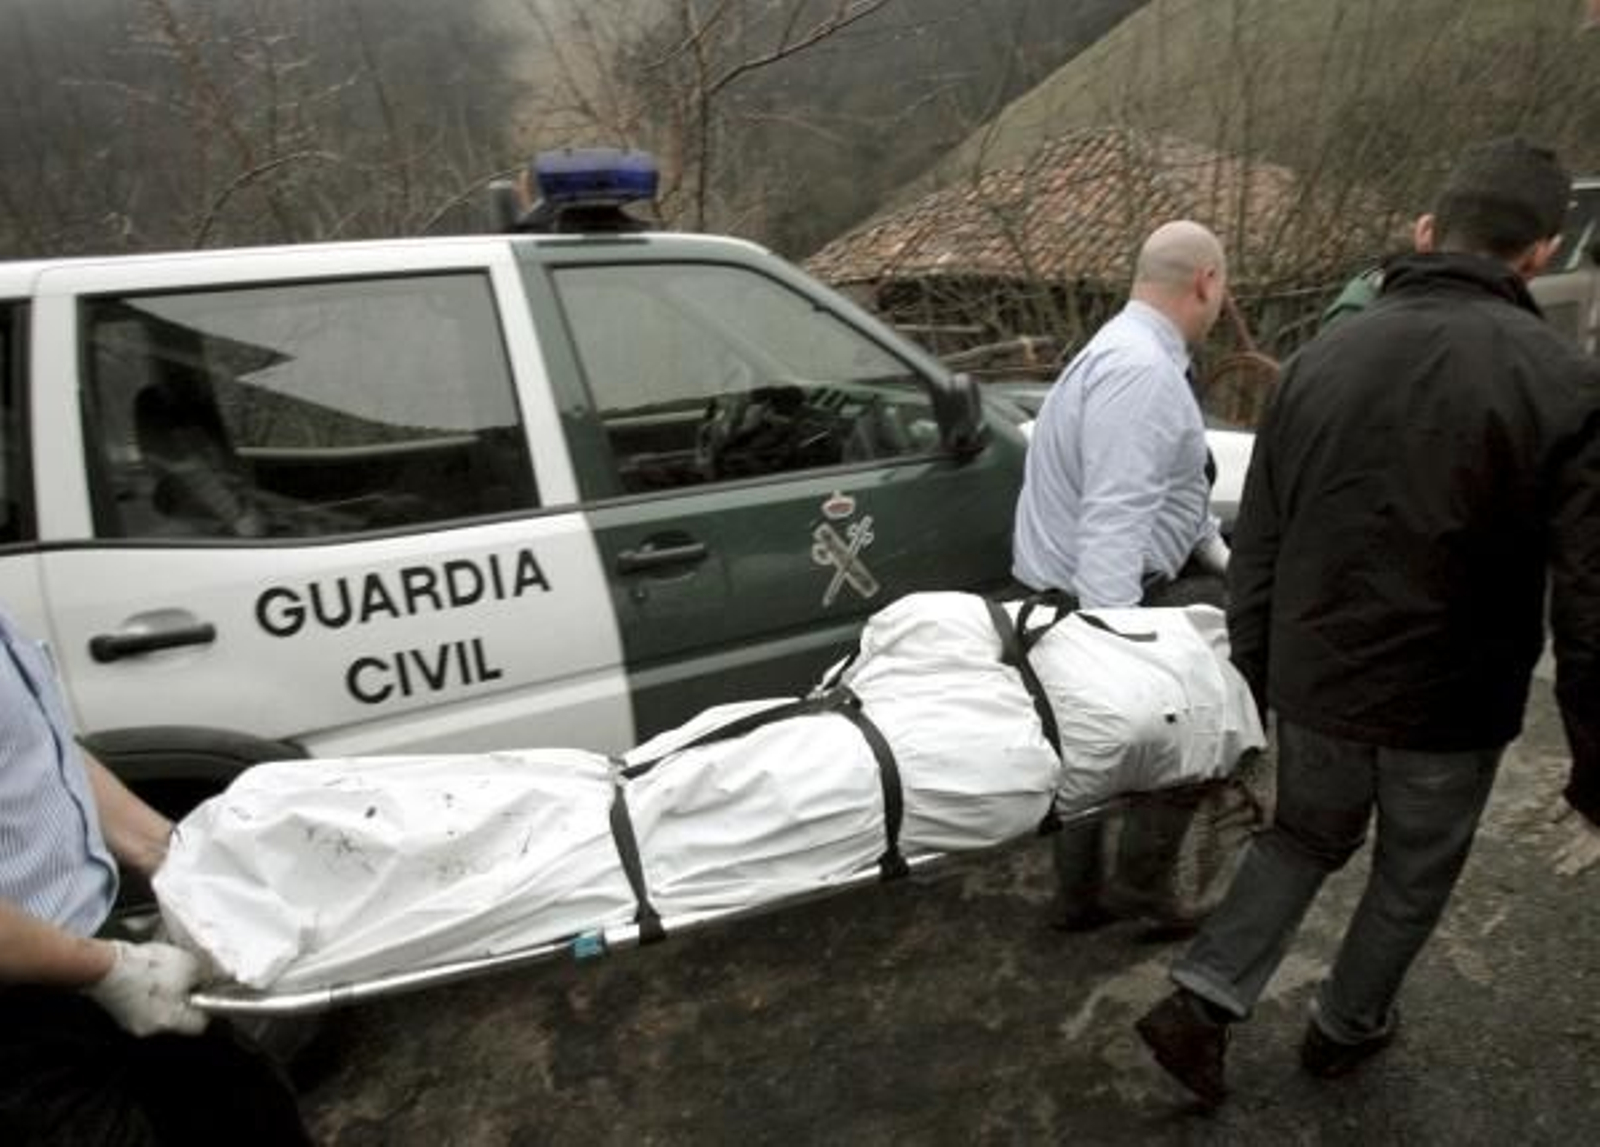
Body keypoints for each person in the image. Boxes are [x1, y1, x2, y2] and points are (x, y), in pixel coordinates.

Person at [1134, 137, 1600, 1109]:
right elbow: (1588, 594)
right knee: (1411, 870)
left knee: (1303, 835)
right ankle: (1345, 1027)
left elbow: (1258, 534)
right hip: (1451, 701)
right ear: (1542, 253)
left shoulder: (1318, 358)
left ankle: (1205, 998)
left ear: (1428, 231)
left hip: (1316, 678)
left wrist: (1253, 674)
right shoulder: (1561, 383)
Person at [0, 606, 311, 1144]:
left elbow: (35, 749)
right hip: (22, 1018)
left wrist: (173, 854)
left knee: (251, 1112)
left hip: (84, 957)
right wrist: (105, 969)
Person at [1011, 220, 1234, 935]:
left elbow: (1173, 489)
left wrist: (1224, 556)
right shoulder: (1142, 373)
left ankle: (1079, 896)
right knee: (1201, 719)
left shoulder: (1123, 350)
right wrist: (1125, 651)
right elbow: (1113, 518)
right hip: (1096, 595)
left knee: (1088, 745)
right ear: (1206, 282)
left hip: (1068, 592)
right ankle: (1140, 884)